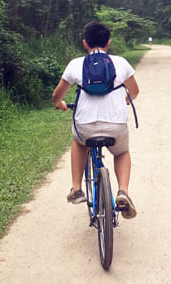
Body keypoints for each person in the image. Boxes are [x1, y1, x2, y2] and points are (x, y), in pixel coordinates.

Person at [52, 21, 139, 219]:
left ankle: (76, 189)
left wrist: (60, 104)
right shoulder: (121, 63)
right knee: (122, 152)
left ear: (85, 43)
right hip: (115, 125)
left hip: (86, 125)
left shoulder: (75, 64)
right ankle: (123, 192)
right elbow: (134, 91)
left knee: (78, 141)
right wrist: (123, 101)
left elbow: (57, 94)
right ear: (108, 43)